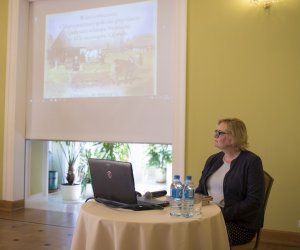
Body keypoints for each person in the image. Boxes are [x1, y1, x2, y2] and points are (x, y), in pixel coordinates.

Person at [195, 118, 265, 246]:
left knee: (203, 236)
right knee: (188, 230)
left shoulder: (252, 162)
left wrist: (220, 214)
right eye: (215, 132)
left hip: (240, 224)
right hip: (209, 217)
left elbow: (254, 201)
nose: (215, 136)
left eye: (220, 133)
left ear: (234, 136)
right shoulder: (212, 160)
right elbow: (200, 191)